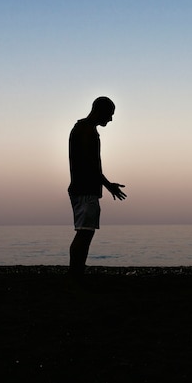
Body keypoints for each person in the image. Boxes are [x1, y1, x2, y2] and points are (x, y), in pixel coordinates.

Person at [68, 96, 127, 279]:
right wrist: (109, 185)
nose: (110, 119)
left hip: (85, 189)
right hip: (84, 189)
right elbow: (90, 164)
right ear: (99, 111)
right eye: (109, 114)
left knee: (85, 233)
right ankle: (76, 275)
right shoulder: (85, 130)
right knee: (84, 234)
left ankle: (77, 272)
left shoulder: (86, 129)